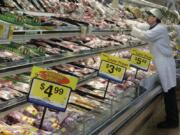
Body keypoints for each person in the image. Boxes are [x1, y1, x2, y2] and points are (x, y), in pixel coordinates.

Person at [131, 8, 179, 128]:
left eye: (150, 16)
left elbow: (145, 35)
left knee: (169, 92)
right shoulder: (156, 27)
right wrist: (132, 23)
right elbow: (143, 27)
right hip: (163, 63)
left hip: (165, 64)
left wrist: (131, 29)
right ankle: (172, 119)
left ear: (155, 18)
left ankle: (172, 121)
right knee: (168, 91)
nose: (147, 17)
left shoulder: (159, 29)